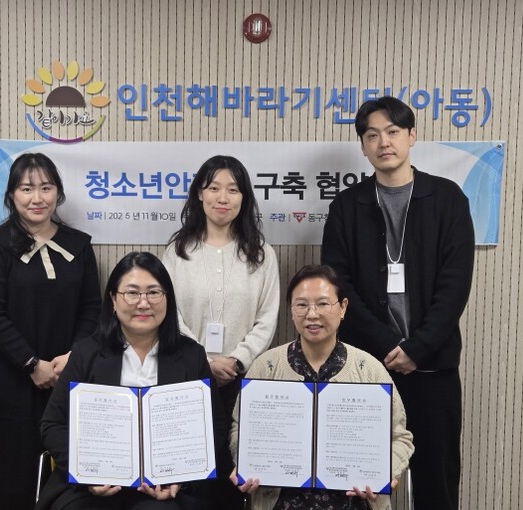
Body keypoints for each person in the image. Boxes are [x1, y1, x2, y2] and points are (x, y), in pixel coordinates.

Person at [321, 96, 474, 510]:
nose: (383, 142)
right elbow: (339, 286)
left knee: (436, 480)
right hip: (368, 366)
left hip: (433, 366)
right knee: (363, 483)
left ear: (412, 136)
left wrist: (417, 348)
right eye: (372, 135)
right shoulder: (346, 207)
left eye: (392, 132)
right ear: (363, 146)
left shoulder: (448, 199)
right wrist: (388, 344)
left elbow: (454, 286)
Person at [36, 251, 227, 510]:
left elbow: (214, 427)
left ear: (168, 299)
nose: (144, 303)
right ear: (113, 300)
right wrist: (87, 474)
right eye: (132, 293)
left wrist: (180, 479)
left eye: (154, 292)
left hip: (165, 488)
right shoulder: (86, 353)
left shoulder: (192, 355)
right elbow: (53, 424)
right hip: (93, 488)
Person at [0, 153, 102, 509]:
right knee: (13, 474)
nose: (37, 198)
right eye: (26, 188)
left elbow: (92, 309)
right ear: (11, 194)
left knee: (70, 475)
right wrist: (32, 364)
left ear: (58, 193)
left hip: (69, 377)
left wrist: (72, 358)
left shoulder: (79, 245)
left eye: (46, 187)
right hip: (14, 379)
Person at [231, 264, 414, 510]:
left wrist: (383, 473)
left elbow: (400, 437)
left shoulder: (369, 369)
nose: (312, 314)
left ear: (343, 308)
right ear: (291, 310)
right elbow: (240, 428)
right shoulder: (266, 367)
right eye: (301, 305)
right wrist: (245, 463)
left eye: (323, 304)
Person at [162, 155, 280, 508]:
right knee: (194, 478)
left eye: (233, 189)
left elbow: (268, 317)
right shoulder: (177, 252)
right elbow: (168, 315)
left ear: (244, 197)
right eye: (214, 188)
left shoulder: (261, 254)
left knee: (235, 478)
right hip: (188, 380)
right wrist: (204, 361)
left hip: (244, 382)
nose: (223, 198)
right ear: (199, 193)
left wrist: (237, 360)